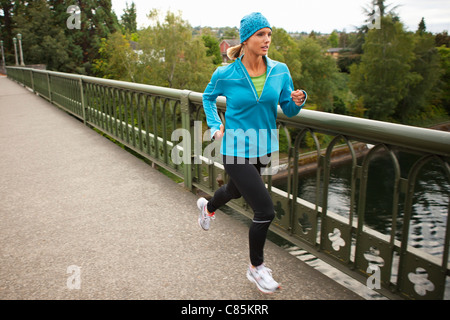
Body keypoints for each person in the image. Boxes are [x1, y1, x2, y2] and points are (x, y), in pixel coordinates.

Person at [197, 12, 307, 294]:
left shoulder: (280, 70)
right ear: (246, 40)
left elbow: (288, 107)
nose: (267, 40)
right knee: (265, 210)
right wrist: (214, 123)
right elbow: (207, 97)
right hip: (235, 148)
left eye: (269, 34)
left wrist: (298, 100)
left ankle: (207, 207)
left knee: (234, 191)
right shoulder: (226, 73)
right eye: (261, 35)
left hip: (264, 147)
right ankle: (256, 268)